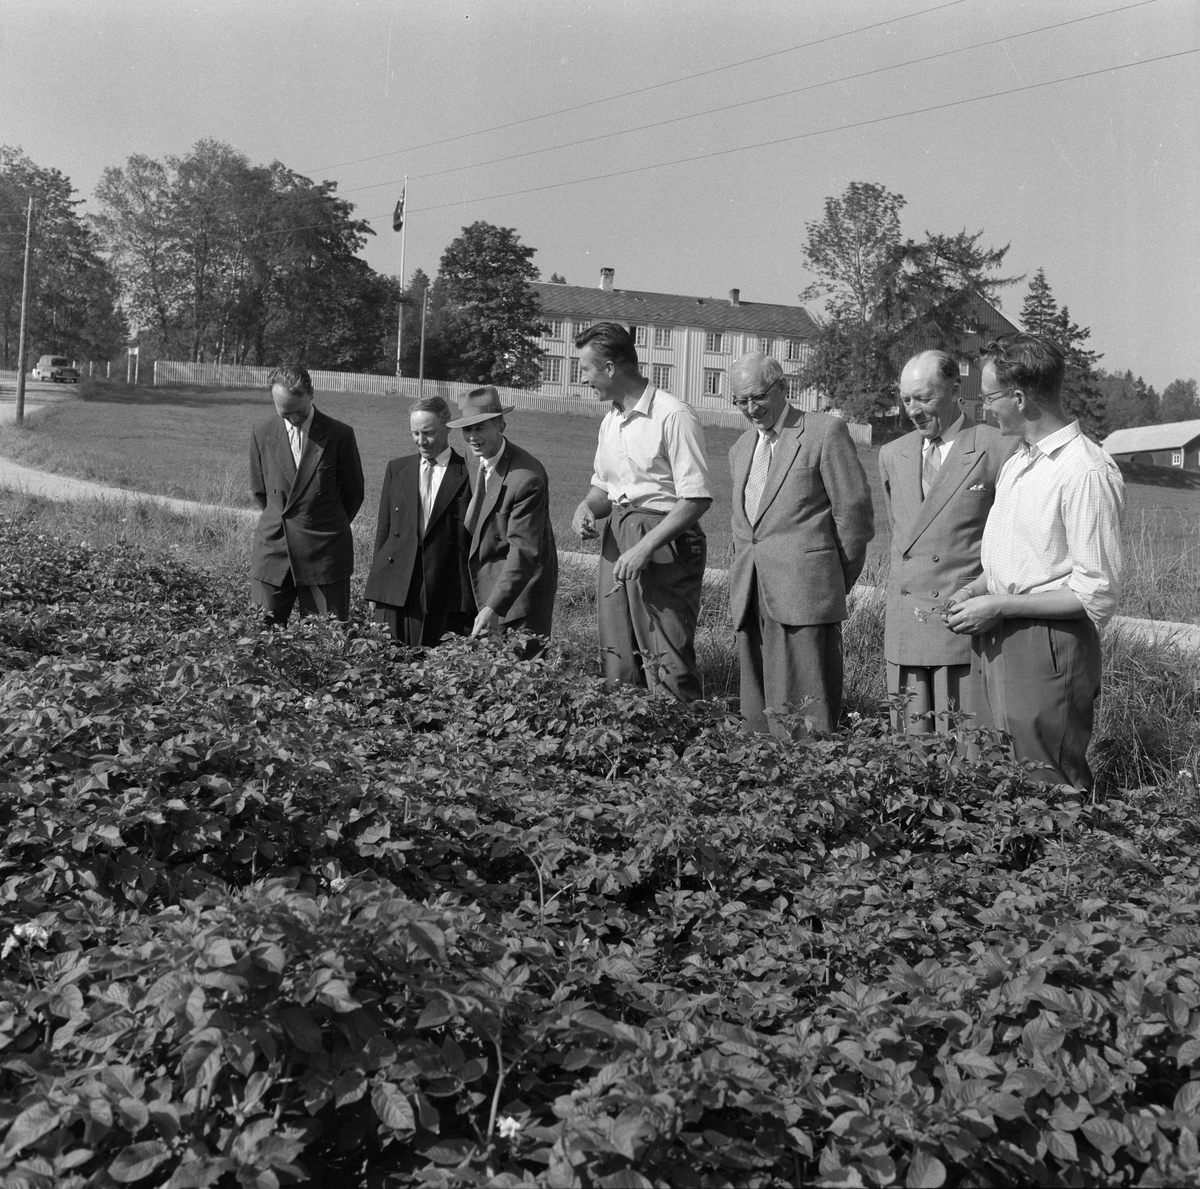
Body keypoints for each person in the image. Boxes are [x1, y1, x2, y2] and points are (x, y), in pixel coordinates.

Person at [946, 333, 1125, 790]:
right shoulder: (1019, 460)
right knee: (994, 773)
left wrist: (1002, 606)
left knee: (1046, 779)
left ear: (1021, 398)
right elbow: (1024, 559)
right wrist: (979, 588)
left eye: (989, 398)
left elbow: (1095, 591)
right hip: (1000, 632)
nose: (984, 408)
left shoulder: (1085, 471)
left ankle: (1067, 862)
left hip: (1048, 643)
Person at [728, 352, 874, 735]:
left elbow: (854, 515)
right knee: (757, 715)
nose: (750, 408)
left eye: (756, 396)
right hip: (751, 592)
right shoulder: (741, 448)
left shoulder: (824, 432)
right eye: (740, 400)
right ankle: (758, 784)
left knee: (807, 717)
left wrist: (829, 581)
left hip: (807, 594)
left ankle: (810, 788)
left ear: (782, 387)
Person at [571, 322, 712, 702]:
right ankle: (630, 749)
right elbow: (605, 488)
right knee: (618, 654)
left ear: (611, 368)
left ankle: (686, 754)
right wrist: (587, 506)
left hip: (665, 543)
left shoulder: (672, 414)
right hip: (619, 538)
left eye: (585, 369)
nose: (582, 379)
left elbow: (696, 499)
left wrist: (646, 547)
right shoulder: (611, 420)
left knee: (667, 658)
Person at [878, 350, 1014, 734]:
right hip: (907, 631)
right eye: (906, 400)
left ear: (956, 390)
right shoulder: (892, 455)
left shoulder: (996, 447)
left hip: (964, 629)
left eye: (924, 398)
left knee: (968, 755)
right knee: (910, 759)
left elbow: (1007, 545)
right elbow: (903, 540)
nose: (914, 411)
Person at [249, 364, 364, 626]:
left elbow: (353, 493)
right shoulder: (262, 432)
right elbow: (262, 492)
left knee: (326, 642)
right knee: (260, 639)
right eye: (284, 414)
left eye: (298, 412)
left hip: (324, 553)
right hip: (273, 551)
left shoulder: (339, 435)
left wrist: (323, 524)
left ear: (311, 395)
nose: (293, 420)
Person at [447, 386, 557, 651]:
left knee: (520, 680)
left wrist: (492, 606)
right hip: (484, 587)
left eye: (480, 427)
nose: (472, 437)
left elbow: (523, 553)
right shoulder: (475, 460)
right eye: (467, 429)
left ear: (501, 426)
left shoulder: (526, 478)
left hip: (519, 598)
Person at [363, 395, 475, 645]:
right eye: (415, 433)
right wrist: (376, 587)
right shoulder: (397, 469)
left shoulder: (468, 473)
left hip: (444, 588)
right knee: (389, 663)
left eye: (428, 433)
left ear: (447, 426)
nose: (421, 441)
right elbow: (385, 530)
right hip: (396, 584)